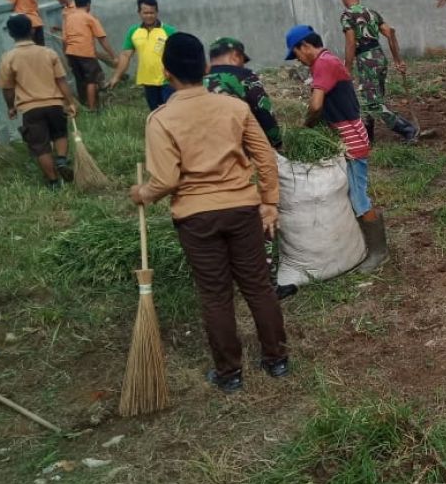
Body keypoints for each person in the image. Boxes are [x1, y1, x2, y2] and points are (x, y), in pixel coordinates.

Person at [130, 32, 288, 394]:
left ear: (166, 73)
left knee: (215, 294)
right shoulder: (234, 108)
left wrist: (142, 193)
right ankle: (276, 359)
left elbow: (166, 179)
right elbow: (264, 156)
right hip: (242, 208)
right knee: (258, 285)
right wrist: (269, 201)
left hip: (196, 217)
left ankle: (230, 373)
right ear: (204, 67)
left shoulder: (161, 119)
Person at [285, 25, 389, 276]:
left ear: (304, 46)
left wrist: (305, 126)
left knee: (359, 197)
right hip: (344, 136)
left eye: (296, 54)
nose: (297, 59)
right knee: (352, 192)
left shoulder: (323, 63)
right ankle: (363, 243)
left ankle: (379, 252)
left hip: (351, 139)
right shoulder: (325, 61)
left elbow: (316, 104)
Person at [0, 14, 79, 188]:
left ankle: (53, 182)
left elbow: (8, 89)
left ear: (11, 34)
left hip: (30, 108)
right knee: (60, 134)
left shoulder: (8, 58)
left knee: (40, 146)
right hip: (55, 104)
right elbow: (61, 81)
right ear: (32, 30)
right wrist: (70, 102)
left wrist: (11, 107)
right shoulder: (48, 53)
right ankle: (62, 160)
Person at [336, 0, 418, 144]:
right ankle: (368, 135)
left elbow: (351, 42)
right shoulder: (372, 13)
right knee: (371, 97)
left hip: (366, 60)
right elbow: (390, 32)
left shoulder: (347, 15)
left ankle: (408, 130)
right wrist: (397, 60)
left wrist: (347, 68)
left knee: (373, 102)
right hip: (379, 57)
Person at [205, 37, 282, 149]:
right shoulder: (245, 76)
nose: (243, 65)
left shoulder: (199, 81)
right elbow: (263, 109)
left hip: (207, 148)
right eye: (243, 60)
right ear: (235, 56)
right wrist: (276, 141)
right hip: (238, 147)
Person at [108, 0, 177, 111]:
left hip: (168, 81)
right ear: (139, 13)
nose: (149, 16)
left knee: (170, 111)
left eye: (152, 12)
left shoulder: (169, 31)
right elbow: (125, 55)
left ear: (157, 12)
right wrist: (116, 76)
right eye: (145, 13)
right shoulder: (133, 32)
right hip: (147, 80)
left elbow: (178, 55)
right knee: (155, 112)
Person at [62, 0, 117, 111]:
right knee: (92, 80)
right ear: (88, 4)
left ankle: (85, 103)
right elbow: (102, 39)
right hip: (85, 53)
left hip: (71, 53)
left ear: (75, 4)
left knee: (80, 80)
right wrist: (113, 56)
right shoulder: (89, 18)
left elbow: (64, 39)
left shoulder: (69, 18)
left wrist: (66, 55)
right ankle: (93, 109)